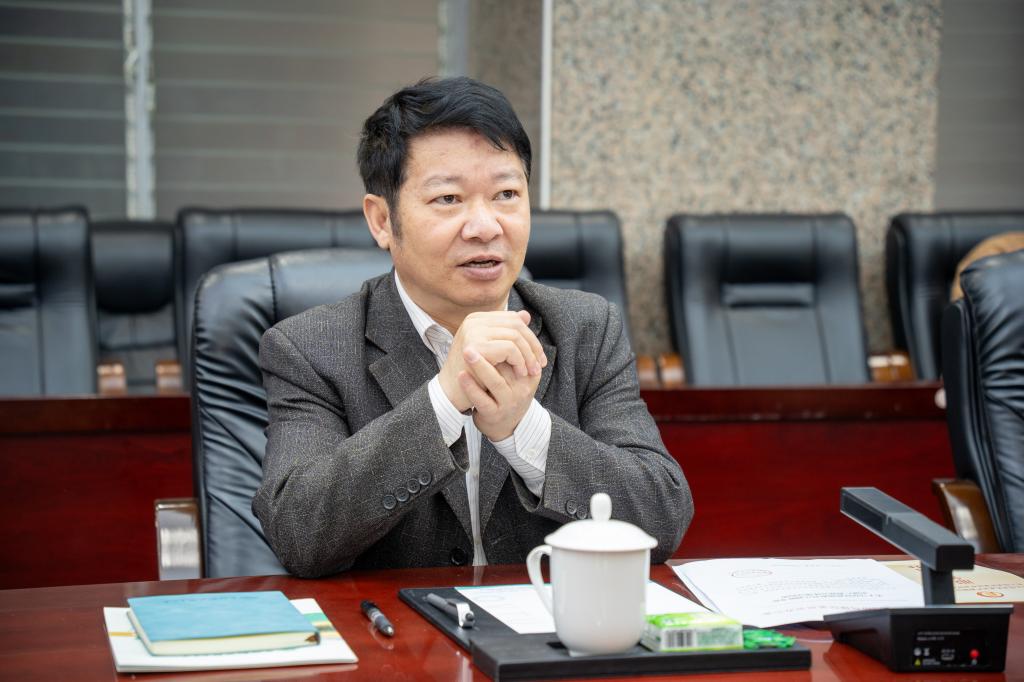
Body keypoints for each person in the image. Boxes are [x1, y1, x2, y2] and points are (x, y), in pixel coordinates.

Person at [253, 77, 692, 577]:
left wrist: (525, 429)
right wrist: (442, 401)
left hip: (546, 621)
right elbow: (299, 534)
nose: (485, 226)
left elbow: (662, 518)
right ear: (381, 221)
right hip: (393, 624)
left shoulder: (587, 329)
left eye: (506, 194)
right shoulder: (310, 349)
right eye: (448, 199)